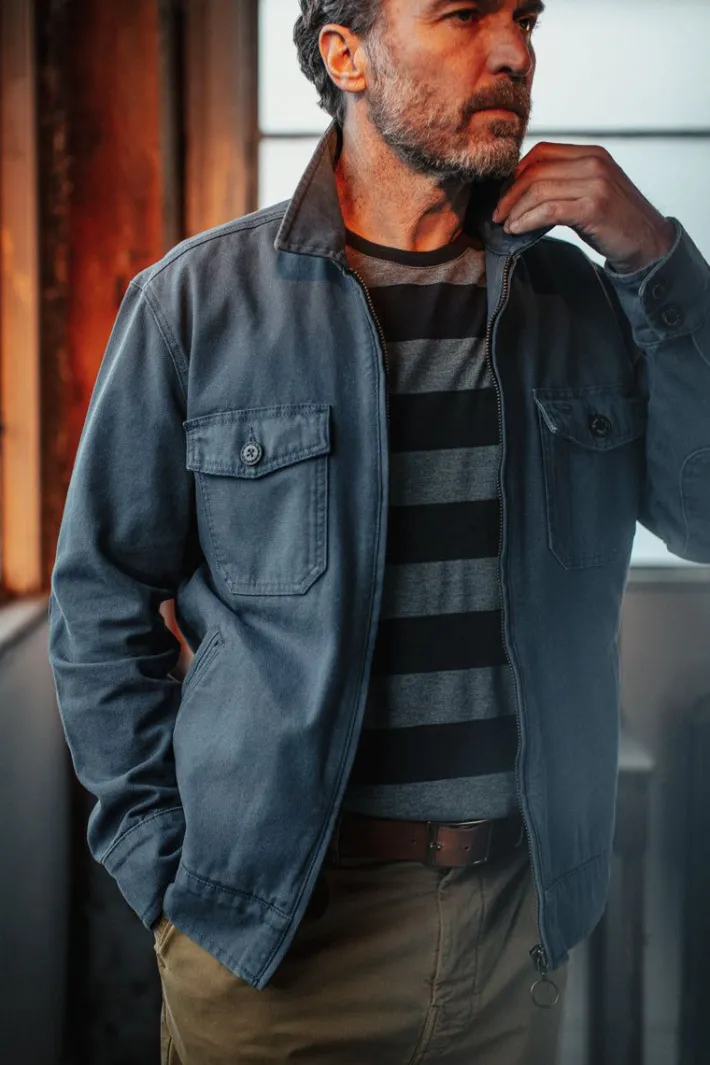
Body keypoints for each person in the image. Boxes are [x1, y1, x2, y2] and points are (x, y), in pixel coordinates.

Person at [47, 0, 710, 1062]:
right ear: (345, 55)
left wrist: (659, 264)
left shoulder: (583, 301)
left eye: (524, 17)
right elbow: (100, 603)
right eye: (462, 15)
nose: (513, 50)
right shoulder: (195, 305)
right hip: (274, 947)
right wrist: (164, 871)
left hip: (511, 934)